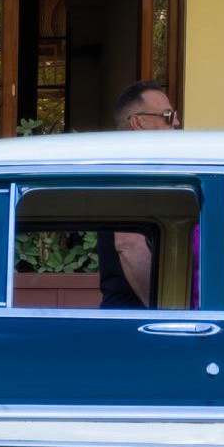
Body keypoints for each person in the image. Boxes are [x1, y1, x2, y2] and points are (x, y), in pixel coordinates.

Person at [96, 80, 176, 308]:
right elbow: (130, 245)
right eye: (168, 115)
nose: (176, 122)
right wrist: (165, 313)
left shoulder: (149, 171)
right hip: (135, 320)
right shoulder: (128, 170)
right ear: (138, 122)